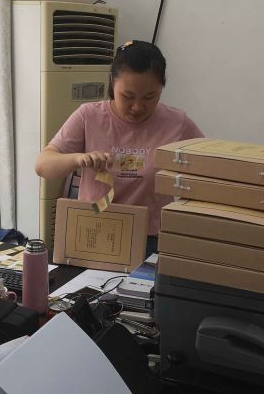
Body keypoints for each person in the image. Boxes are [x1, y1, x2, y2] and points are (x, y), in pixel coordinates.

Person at [35, 40, 204, 245]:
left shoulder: (177, 123)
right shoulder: (89, 116)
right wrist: (78, 159)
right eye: (128, 96)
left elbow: (210, 169)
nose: (137, 107)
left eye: (149, 97)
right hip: (94, 234)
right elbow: (43, 166)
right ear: (112, 83)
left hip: (151, 239)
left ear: (161, 89)